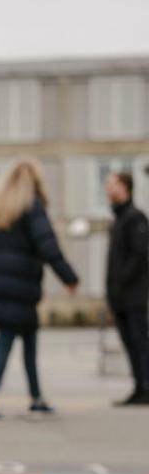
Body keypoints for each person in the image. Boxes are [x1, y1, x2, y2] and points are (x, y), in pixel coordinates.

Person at [0, 159, 78, 419]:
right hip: (19, 287)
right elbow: (48, 245)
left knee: (29, 340)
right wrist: (68, 277)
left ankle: (36, 397)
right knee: (6, 342)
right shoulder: (32, 207)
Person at [105, 172, 149, 406]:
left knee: (139, 342)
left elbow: (139, 255)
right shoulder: (118, 220)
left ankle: (146, 387)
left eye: (111, 184)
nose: (107, 189)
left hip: (133, 296)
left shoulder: (135, 218)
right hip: (120, 296)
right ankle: (139, 387)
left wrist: (120, 283)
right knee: (130, 343)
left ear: (124, 187)